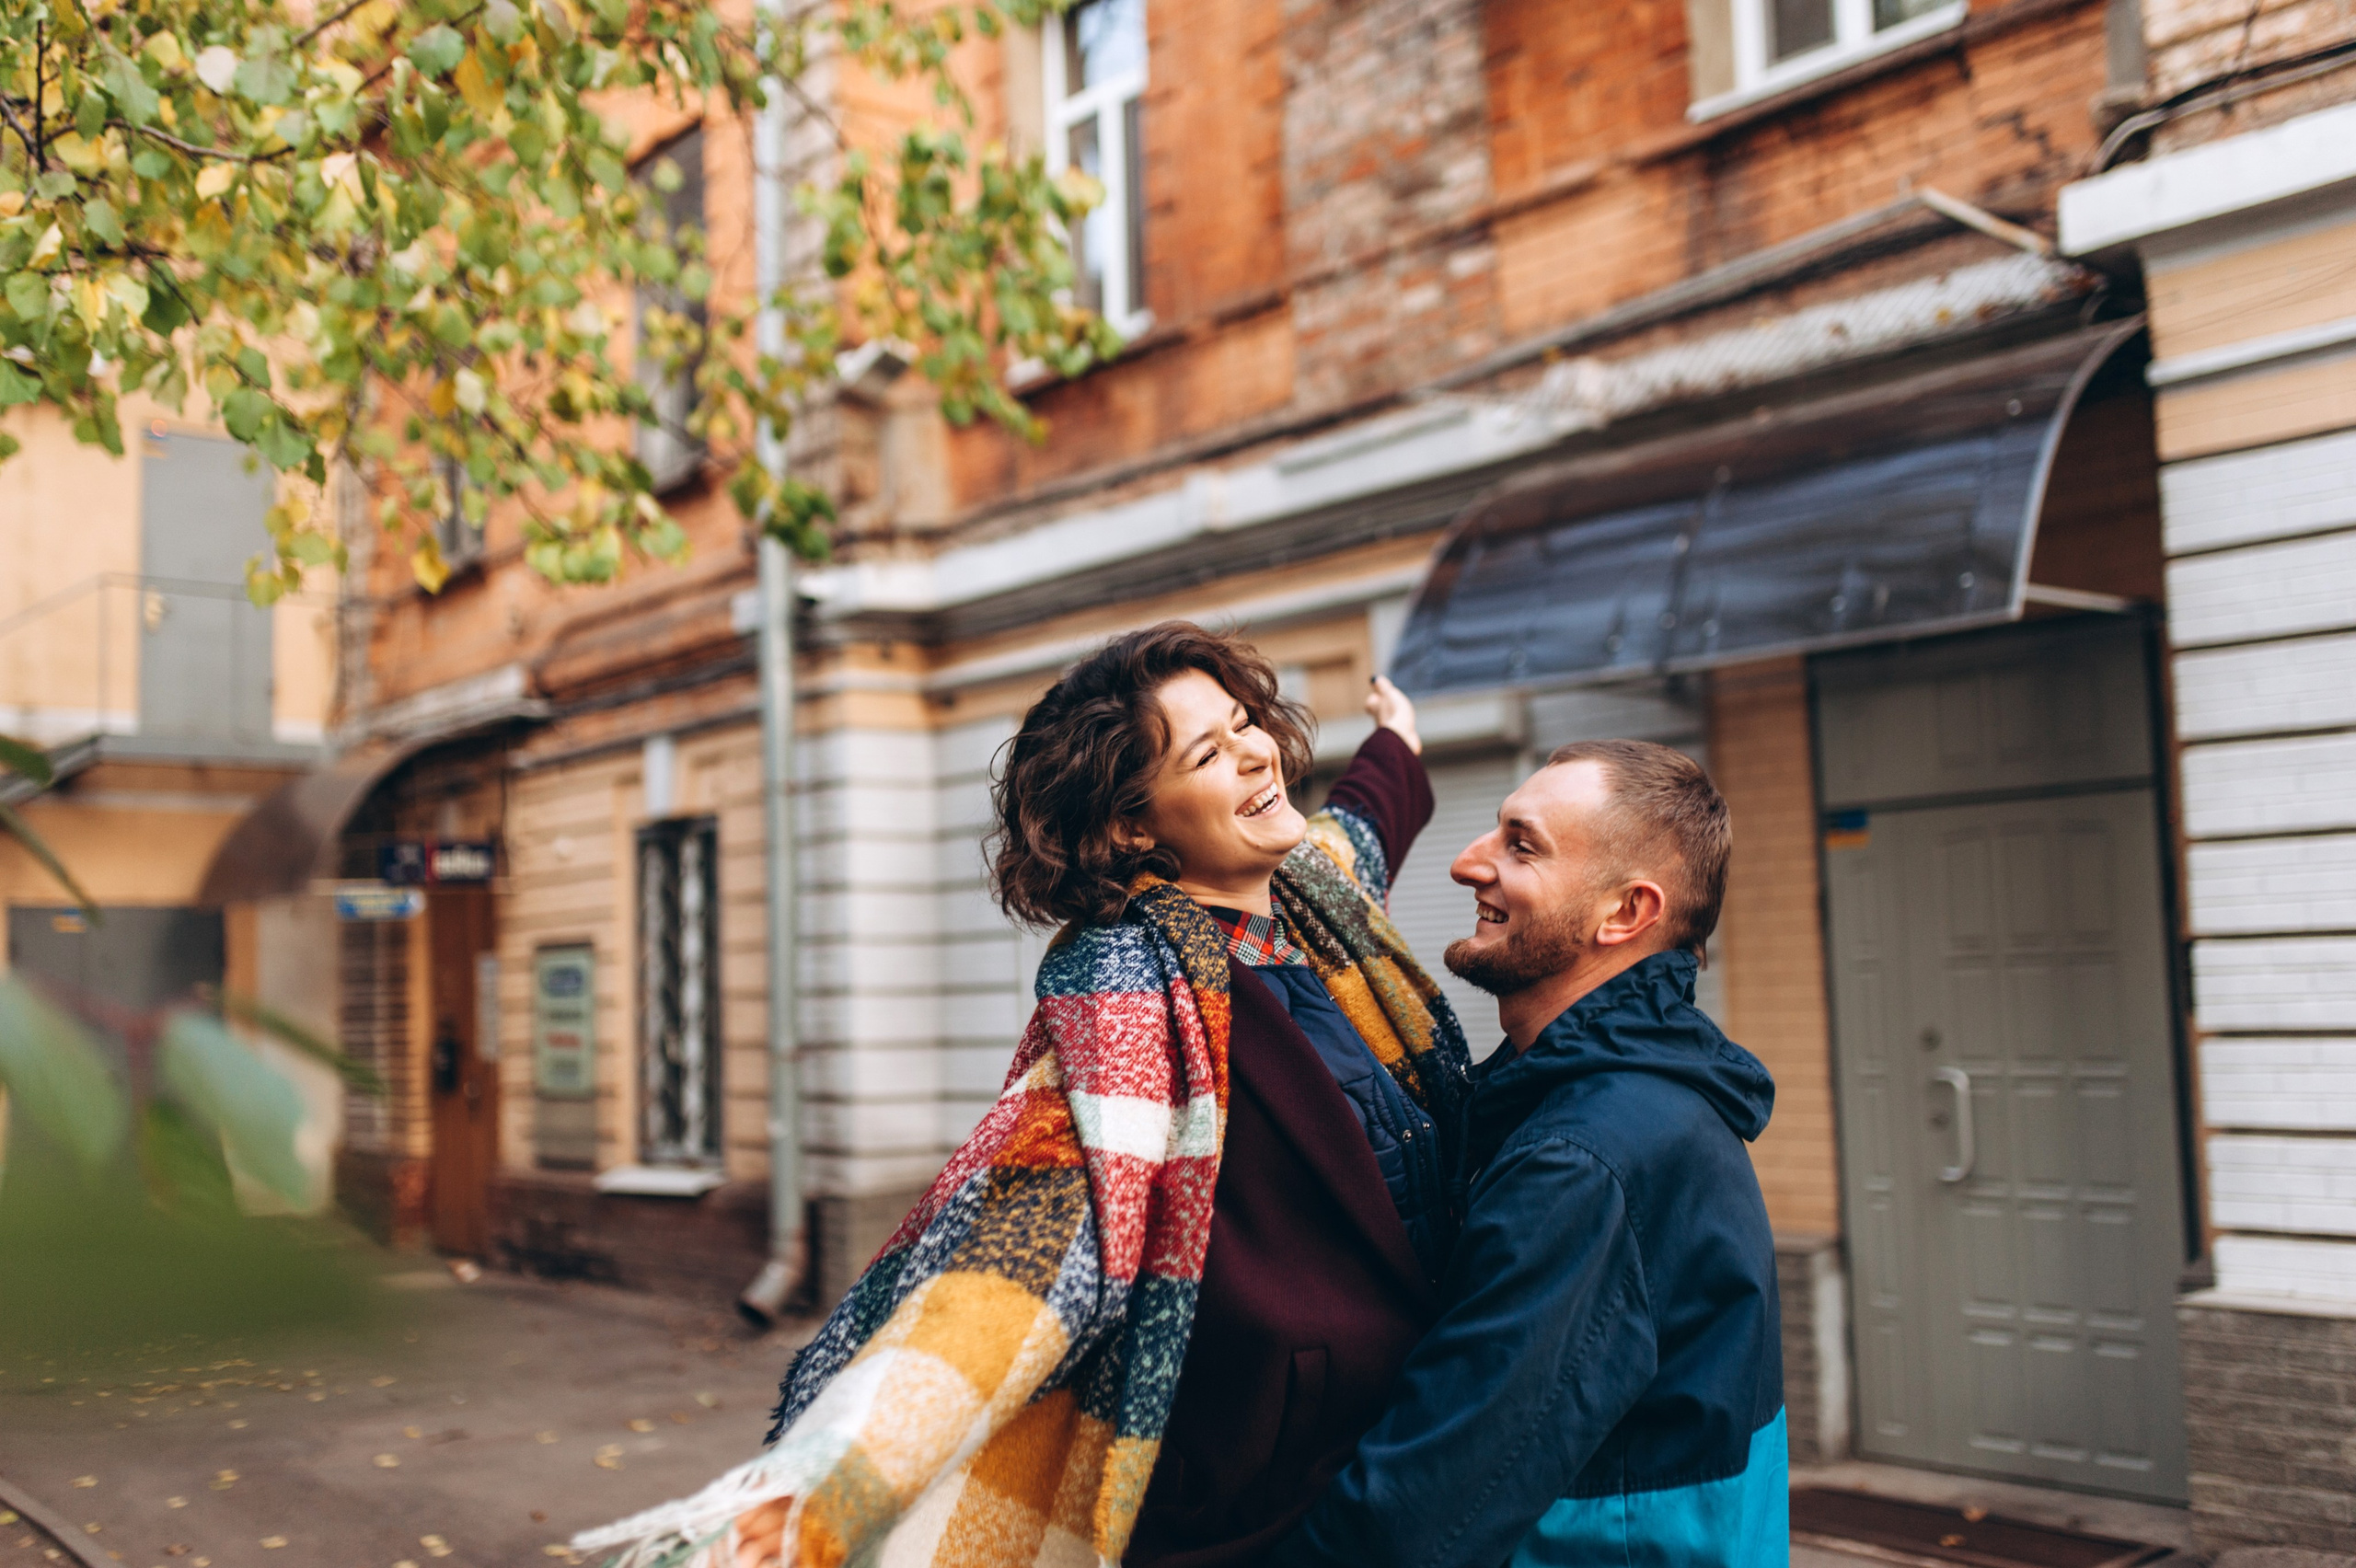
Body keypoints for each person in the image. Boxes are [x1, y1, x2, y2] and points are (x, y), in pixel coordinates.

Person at [576, 622, 1470, 1568]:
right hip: (1263, 1505)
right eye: (1210, 751)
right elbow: (1012, 1262)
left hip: (1401, 1440)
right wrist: (823, 1485)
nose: (1257, 750)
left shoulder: (1315, 905)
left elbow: (1362, 824)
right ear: (1133, 825)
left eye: (1245, 721)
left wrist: (1396, 739)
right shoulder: (1133, 998)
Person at [1266, 739, 1787, 1568]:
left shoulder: (1587, 1158)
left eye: (1521, 844)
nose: (1468, 864)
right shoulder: (1626, 1100)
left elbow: (1420, 1511)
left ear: (1624, 914)